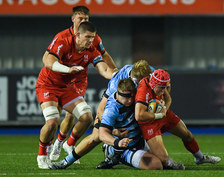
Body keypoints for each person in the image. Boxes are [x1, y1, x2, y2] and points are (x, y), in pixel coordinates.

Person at [47, 60, 155, 169]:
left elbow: (165, 85)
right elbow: (101, 109)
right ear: (135, 79)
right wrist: (111, 129)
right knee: (96, 136)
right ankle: (66, 162)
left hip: (135, 106)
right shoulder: (116, 83)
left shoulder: (148, 72)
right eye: (142, 82)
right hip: (118, 109)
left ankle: (118, 154)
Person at [36, 21, 114, 169]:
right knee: (52, 122)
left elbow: (103, 69)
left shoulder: (91, 50)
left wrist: (115, 75)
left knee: (87, 117)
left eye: (92, 37)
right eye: (87, 37)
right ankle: (42, 156)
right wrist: (67, 70)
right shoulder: (63, 41)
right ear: (78, 35)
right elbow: (49, 61)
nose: (91, 40)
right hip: (48, 85)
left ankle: (68, 143)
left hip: (67, 87)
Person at [135, 69, 221, 167]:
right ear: (154, 84)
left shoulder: (159, 84)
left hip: (161, 114)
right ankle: (170, 163)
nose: (164, 90)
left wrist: (164, 110)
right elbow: (139, 116)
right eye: (161, 88)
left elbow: (168, 99)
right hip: (149, 121)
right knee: (163, 159)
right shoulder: (144, 90)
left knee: (187, 134)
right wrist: (159, 115)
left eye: (165, 87)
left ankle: (200, 158)